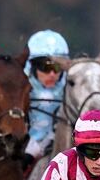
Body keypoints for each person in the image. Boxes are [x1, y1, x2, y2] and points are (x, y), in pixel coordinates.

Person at [22, 29, 69, 171]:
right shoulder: (20, 89)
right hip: (24, 150)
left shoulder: (71, 88)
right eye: (45, 67)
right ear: (32, 66)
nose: (52, 74)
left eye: (57, 67)